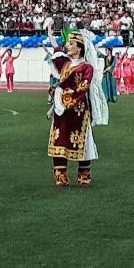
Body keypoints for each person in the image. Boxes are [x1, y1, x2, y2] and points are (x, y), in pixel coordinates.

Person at [45, 25, 109, 187]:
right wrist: (50, 35)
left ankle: (84, 174)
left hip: (78, 109)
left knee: (83, 140)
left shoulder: (87, 68)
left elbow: (83, 86)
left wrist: (64, 97)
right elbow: (57, 50)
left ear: (79, 48)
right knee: (60, 138)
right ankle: (60, 175)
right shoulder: (65, 64)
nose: (67, 46)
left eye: (70, 44)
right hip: (62, 110)